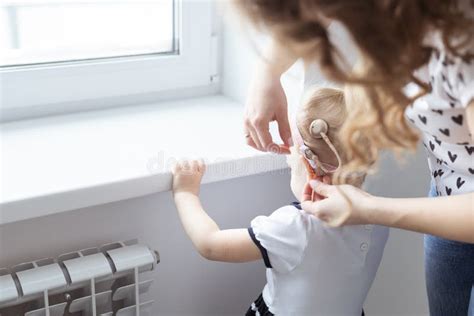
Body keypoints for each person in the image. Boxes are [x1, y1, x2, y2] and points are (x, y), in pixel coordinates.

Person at [234, 1, 474, 315]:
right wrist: (266, 75)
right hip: (447, 195)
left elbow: (210, 245)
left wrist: (370, 209)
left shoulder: (462, 45)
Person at [171, 87, 389, 315]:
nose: (288, 160)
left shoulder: (295, 228)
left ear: (311, 170)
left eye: (291, 160)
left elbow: (210, 244)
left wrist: (186, 194)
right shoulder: (379, 216)